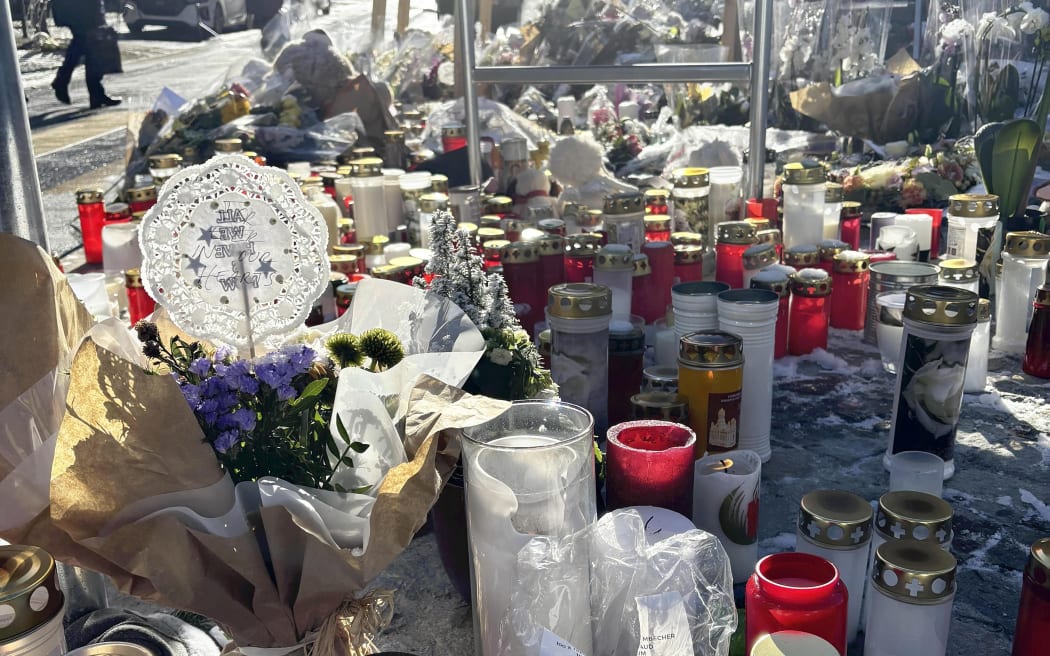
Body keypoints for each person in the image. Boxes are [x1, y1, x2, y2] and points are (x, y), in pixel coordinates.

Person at [51, 0, 120, 109]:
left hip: (82, 11)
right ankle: (95, 94)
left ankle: (63, 82)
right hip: (83, 12)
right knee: (90, 48)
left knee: (85, 47)